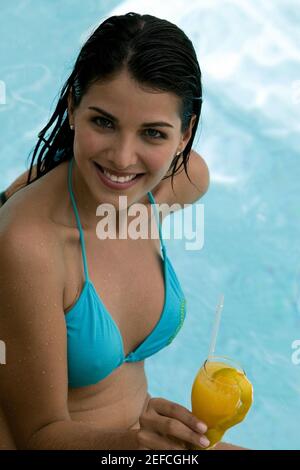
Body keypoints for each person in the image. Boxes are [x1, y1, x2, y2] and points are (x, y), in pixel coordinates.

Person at [0, 12, 243, 451]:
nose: (122, 158)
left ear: (185, 136)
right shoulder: (30, 245)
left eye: (153, 133)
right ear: (73, 108)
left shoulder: (176, 186)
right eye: (104, 122)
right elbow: (38, 436)